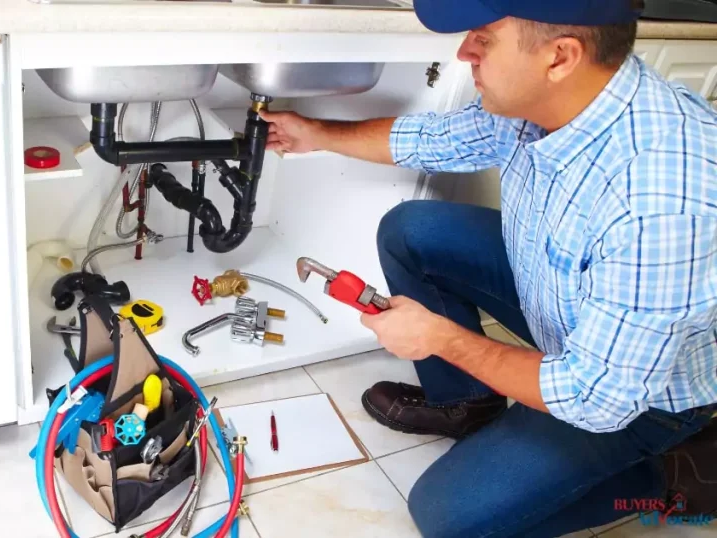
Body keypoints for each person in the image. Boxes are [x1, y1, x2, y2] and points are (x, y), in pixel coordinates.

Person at [260, 0, 717, 536]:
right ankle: (467, 405)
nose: (464, 51)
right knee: (414, 231)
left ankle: (677, 477)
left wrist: (442, 338)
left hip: (639, 398)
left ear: (559, 56)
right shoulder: (550, 102)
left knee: (449, 517)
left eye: (484, 37)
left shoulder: (664, 202)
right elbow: (431, 140)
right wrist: (312, 133)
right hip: (565, 313)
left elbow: (595, 398)